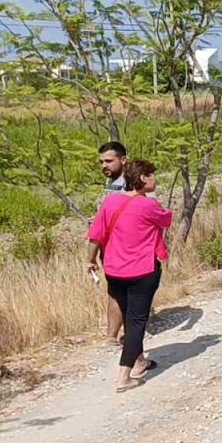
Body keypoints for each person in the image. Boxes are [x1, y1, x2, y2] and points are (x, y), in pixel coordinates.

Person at [86, 159, 169, 393]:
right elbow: (166, 219)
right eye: (152, 175)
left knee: (127, 314)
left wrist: (90, 260)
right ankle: (124, 376)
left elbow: (95, 235)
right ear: (142, 178)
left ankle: (140, 360)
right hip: (142, 271)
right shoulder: (149, 205)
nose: (155, 179)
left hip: (114, 271)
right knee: (136, 322)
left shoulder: (110, 202)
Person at [94, 141, 128, 346]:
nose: (104, 166)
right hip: (111, 247)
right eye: (101, 162)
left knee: (119, 290)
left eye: (109, 161)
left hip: (123, 247)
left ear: (123, 159)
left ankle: (116, 335)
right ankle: (115, 335)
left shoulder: (130, 184)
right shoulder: (112, 183)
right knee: (117, 290)